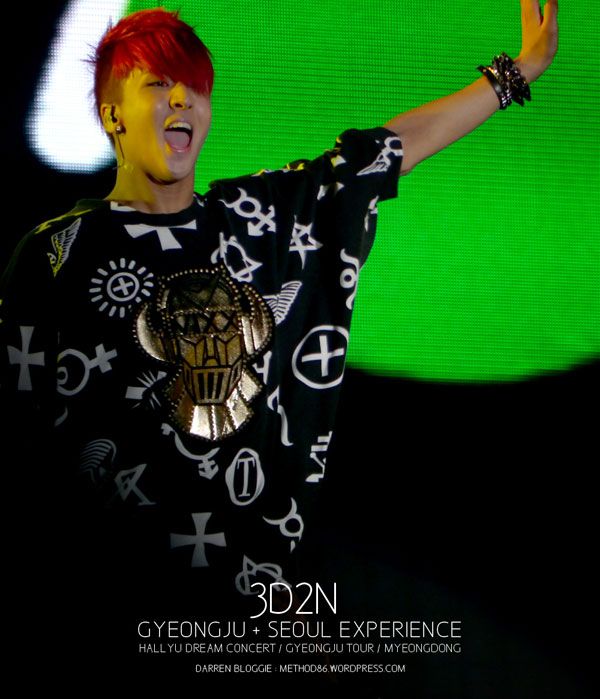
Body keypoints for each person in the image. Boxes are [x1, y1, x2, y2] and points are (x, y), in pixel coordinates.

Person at [1, 1, 557, 690]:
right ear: (112, 113)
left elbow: (383, 153)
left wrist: (513, 75)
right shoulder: (57, 256)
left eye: (195, 88)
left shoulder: (257, 222)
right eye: (158, 84)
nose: (183, 100)